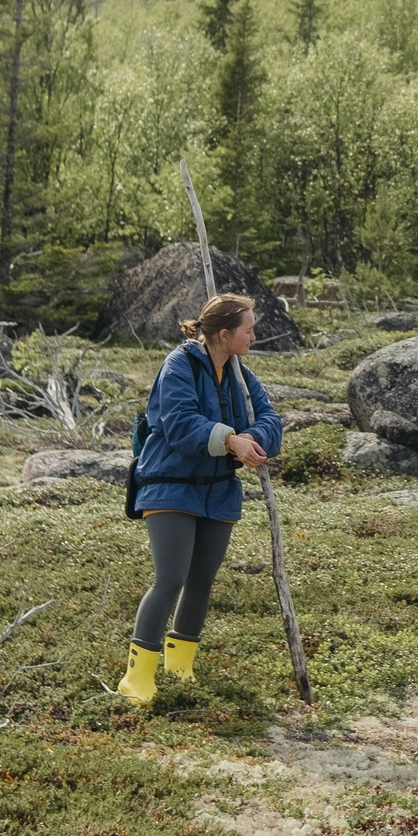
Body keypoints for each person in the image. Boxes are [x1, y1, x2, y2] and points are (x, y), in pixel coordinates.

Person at [117, 291, 283, 704]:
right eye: (248, 329)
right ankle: (137, 677)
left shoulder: (242, 374)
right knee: (170, 578)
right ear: (224, 334)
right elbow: (178, 424)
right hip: (169, 484)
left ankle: (180, 667)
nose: (254, 335)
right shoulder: (178, 365)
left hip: (218, 492)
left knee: (201, 582)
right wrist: (231, 441)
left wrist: (251, 440)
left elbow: (271, 421)